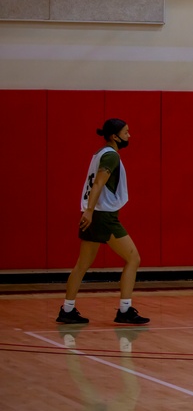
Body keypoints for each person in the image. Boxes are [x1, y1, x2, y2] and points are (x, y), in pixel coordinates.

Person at [57, 118, 148, 326]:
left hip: (95, 213)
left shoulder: (99, 154)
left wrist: (88, 211)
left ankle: (67, 309)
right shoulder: (111, 156)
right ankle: (125, 310)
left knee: (82, 265)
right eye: (126, 132)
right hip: (103, 215)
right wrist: (89, 211)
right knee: (133, 258)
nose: (129, 136)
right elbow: (99, 182)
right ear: (114, 136)